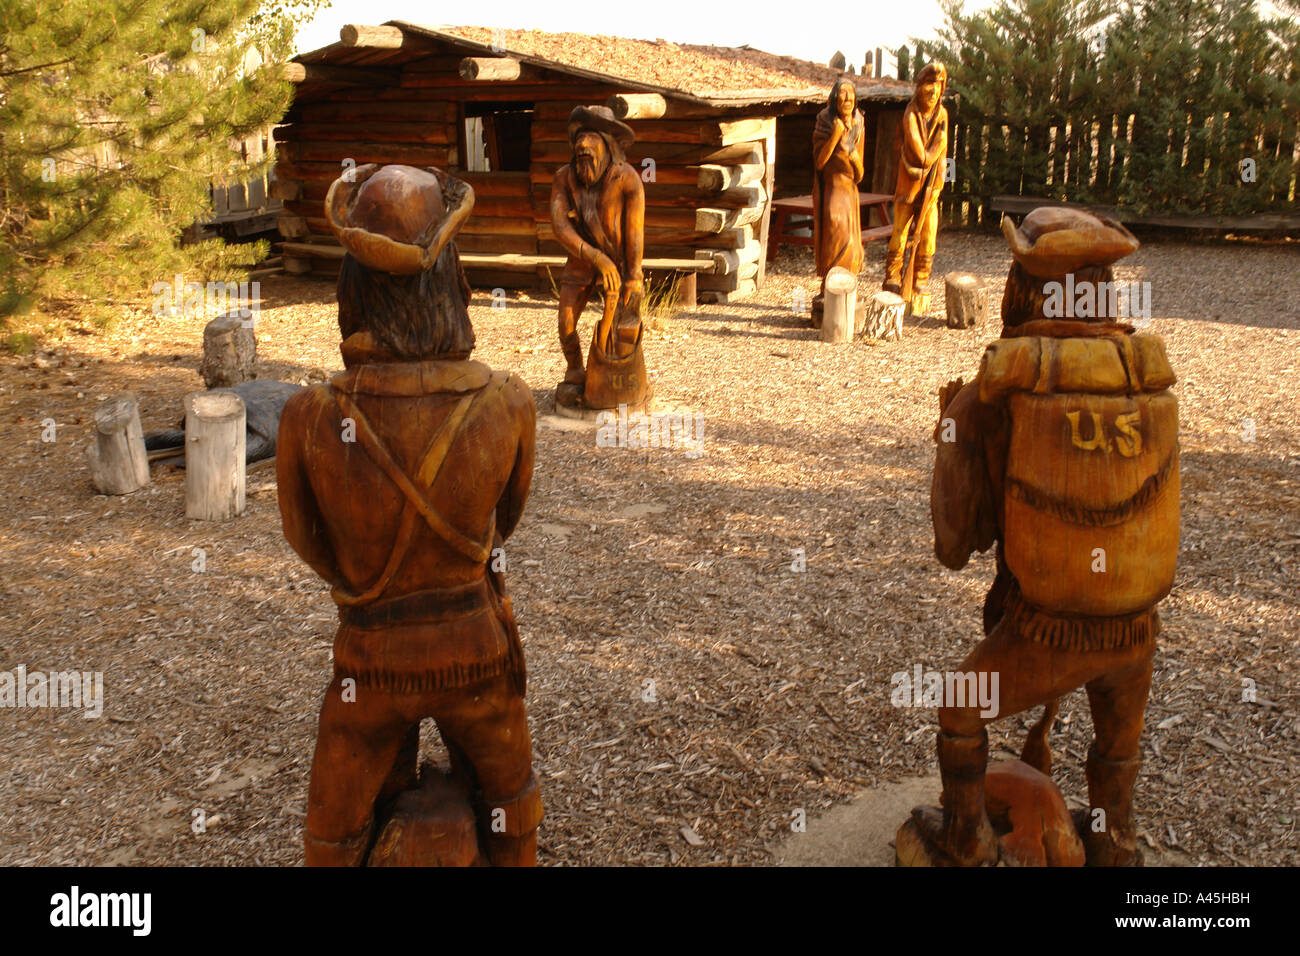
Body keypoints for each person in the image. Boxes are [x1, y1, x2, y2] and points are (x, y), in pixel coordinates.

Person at [277, 163, 541, 866]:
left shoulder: (309, 417)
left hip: (369, 662)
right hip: (477, 656)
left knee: (331, 833)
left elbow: (307, 543)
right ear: (451, 280)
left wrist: (370, 584)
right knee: (514, 812)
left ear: (351, 287)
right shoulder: (507, 402)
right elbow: (503, 523)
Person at [920, 207, 1177, 866]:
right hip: (1136, 627)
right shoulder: (1143, 377)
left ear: (1021, 285)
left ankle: (966, 838)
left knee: (958, 706)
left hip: (1049, 630)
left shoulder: (994, 393)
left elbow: (953, 546)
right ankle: (1113, 839)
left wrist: (949, 423)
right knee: (1116, 739)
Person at [550, 105, 647, 407]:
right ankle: (575, 370)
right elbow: (559, 225)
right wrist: (594, 257)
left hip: (620, 263)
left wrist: (633, 275)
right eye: (579, 139)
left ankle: (615, 383)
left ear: (608, 143)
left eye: (591, 138)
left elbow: (634, 232)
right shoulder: (564, 178)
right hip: (583, 258)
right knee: (565, 321)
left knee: (621, 331)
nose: (582, 146)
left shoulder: (627, 179)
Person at [883, 62, 947, 299]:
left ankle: (920, 279)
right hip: (909, 186)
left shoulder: (942, 115)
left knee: (929, 234)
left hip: (931, 188)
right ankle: (893, 276)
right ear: (920, 87)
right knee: (900, 231)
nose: (933, 90)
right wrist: (937, 145)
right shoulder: (911, 113)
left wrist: (937, 186)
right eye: (929, 84)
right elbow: (921, 154)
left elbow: (943, 159)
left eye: (938, 85)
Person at [811, 78, 866, 319]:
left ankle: (847, 285)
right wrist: (835, 136)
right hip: (832, 188)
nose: (847, 98)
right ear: (834, 99)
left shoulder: (859, 124)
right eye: (842, 94)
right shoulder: (824, 121)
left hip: (849, 190)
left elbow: (861, 173)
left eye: (851, 94)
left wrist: (852, 154)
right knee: (833, 230)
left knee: (852, 243)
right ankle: (830, 284)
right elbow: (820, 162)